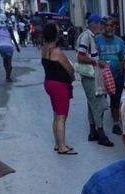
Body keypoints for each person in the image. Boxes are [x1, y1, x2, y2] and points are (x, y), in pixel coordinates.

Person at [77, 13, 114, 147]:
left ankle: (93, 132)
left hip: (90, 75)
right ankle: (101, 134)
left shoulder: (87, 36)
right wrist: (97, 62)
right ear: (94, 24)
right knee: (98, 104)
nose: (101, 27)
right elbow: (80, 57)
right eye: (100, 24)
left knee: (92, 103)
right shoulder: (87, 37)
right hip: (90, 75)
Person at [41, 23, 77, 155]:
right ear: (56, 36)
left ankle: (57, 143)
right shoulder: (57, 52)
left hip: (49, 83)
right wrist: (72, 77)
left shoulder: (44, 49)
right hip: (59, 86)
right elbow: (69, 68)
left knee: (56, 115)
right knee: (62, 117)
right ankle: (62, 146)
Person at [97, 16, 125, 135]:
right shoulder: (97, 39)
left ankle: (116, 124)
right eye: (107, 25)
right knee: (100, 101)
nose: (109, 28)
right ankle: (98, 125)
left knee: (115, 100)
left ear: (115, 27)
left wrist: (122, 71)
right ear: (103, 26)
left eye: (111, 26)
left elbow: (122, 58)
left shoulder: (119, 41)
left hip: (116, 76)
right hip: (101, 76)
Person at [0, 13, 20, 82]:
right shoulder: (9, 27)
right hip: (9, 47)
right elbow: (13, 38)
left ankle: (7, 74)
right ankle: (8, 77)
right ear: (6, 19)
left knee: (4, 60)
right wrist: (17, 47)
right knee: (9, 63)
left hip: (1, 47)